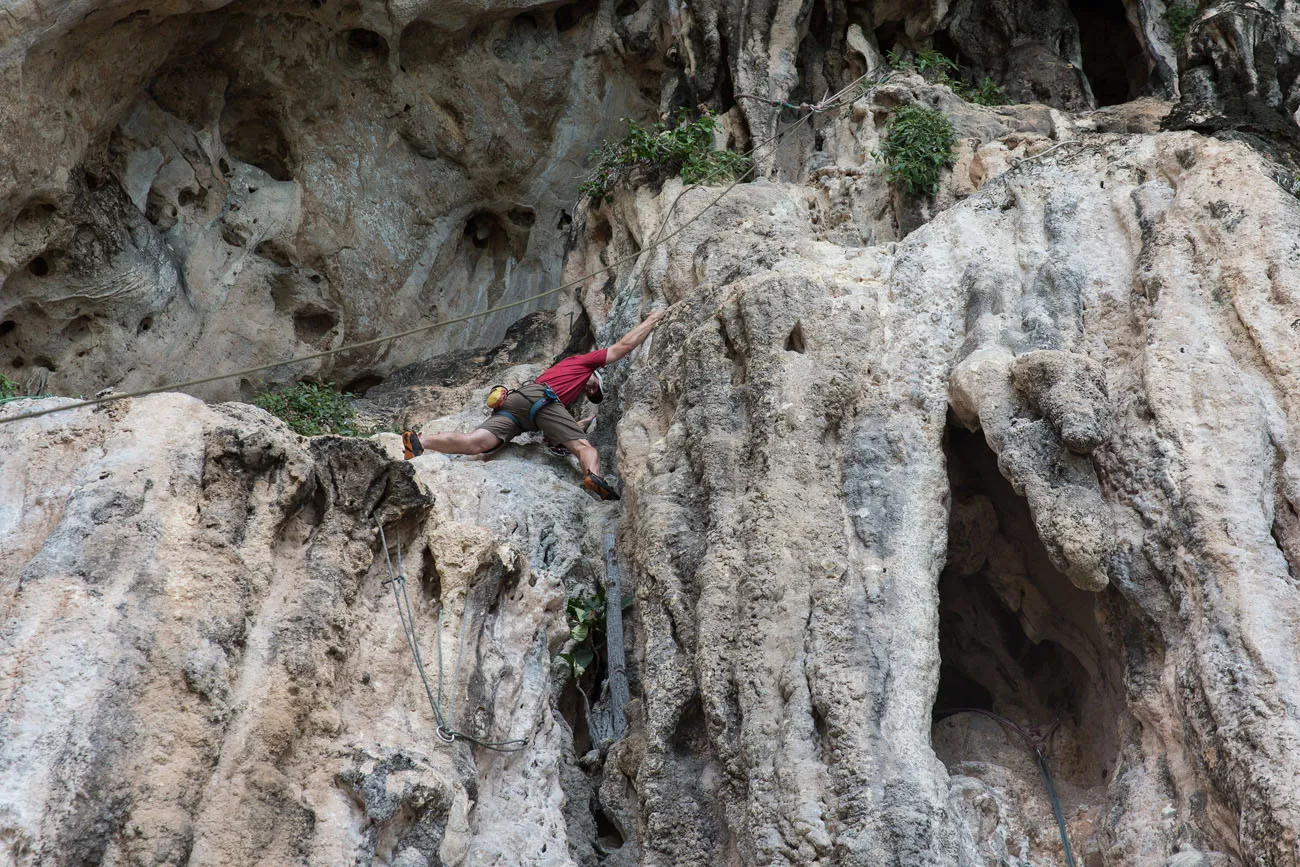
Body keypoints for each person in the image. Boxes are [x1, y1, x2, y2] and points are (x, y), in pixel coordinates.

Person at [402, 309, 666, 500]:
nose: (591, 392)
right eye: (595, 389)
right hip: (542, 400)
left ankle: (419, 441)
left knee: (477, 442)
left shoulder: (561, 376)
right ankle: (594, 476)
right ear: (594, 376)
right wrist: (653, 319)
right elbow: (622, 347)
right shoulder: (585, 363)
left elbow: (549, 431)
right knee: (585, 448)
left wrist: (573, 424)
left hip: (519, 404)